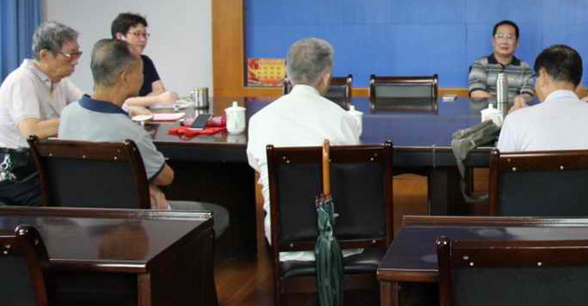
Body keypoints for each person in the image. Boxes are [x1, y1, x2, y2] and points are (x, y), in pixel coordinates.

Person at [58, 39, 229, 234]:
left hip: (78, 225)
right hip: (129, 228)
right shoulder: (128, 132)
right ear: (125, 77)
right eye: (140, 72)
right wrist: (148, 184)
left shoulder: (68, 115)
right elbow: (165, 177)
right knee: (218, 214)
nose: (143, 77)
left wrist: (144, 183)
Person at [246, 38, 361, 247]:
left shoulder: (259, 120)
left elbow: (257, 165)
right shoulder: (342, 119)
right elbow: (354, 168)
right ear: (325, 77)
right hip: (338, 238)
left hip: (283, 237)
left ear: (288, 74)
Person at [497, 44, 588, 201]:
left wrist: (521, 117)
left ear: (543, 76)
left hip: (533, 215)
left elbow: (504, 187)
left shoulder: (516, 120)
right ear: (579, 84)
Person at [0, 21, 84, 205]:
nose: (75, 60)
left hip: (44, 165)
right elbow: (32, 131)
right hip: (17, 174)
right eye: (70, 54)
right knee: (69, 199)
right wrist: (74, 118)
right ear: (45, 55)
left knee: (91, 186)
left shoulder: (60, 81)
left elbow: (86, 106)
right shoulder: (22, 80)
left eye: (78, 53)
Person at [111, 13, 179, 112]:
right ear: (120, 36)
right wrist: (157, 100)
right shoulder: (110, 62)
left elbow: (160, 90)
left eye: (144, 35)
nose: (143, 39)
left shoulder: (145, 61)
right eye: (137, 34)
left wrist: (139, 103)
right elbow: (118, 101)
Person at [467, 20, 535, 110]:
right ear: (493, 41)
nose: (504, 42)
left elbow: (528, 94)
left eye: (510, 37)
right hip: (487, 113)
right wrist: (503, 106)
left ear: (517, 43)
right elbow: (476, 93)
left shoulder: (525, 67)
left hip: (515, 112)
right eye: (500, 36)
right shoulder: (480, 64)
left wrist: (515, 105)